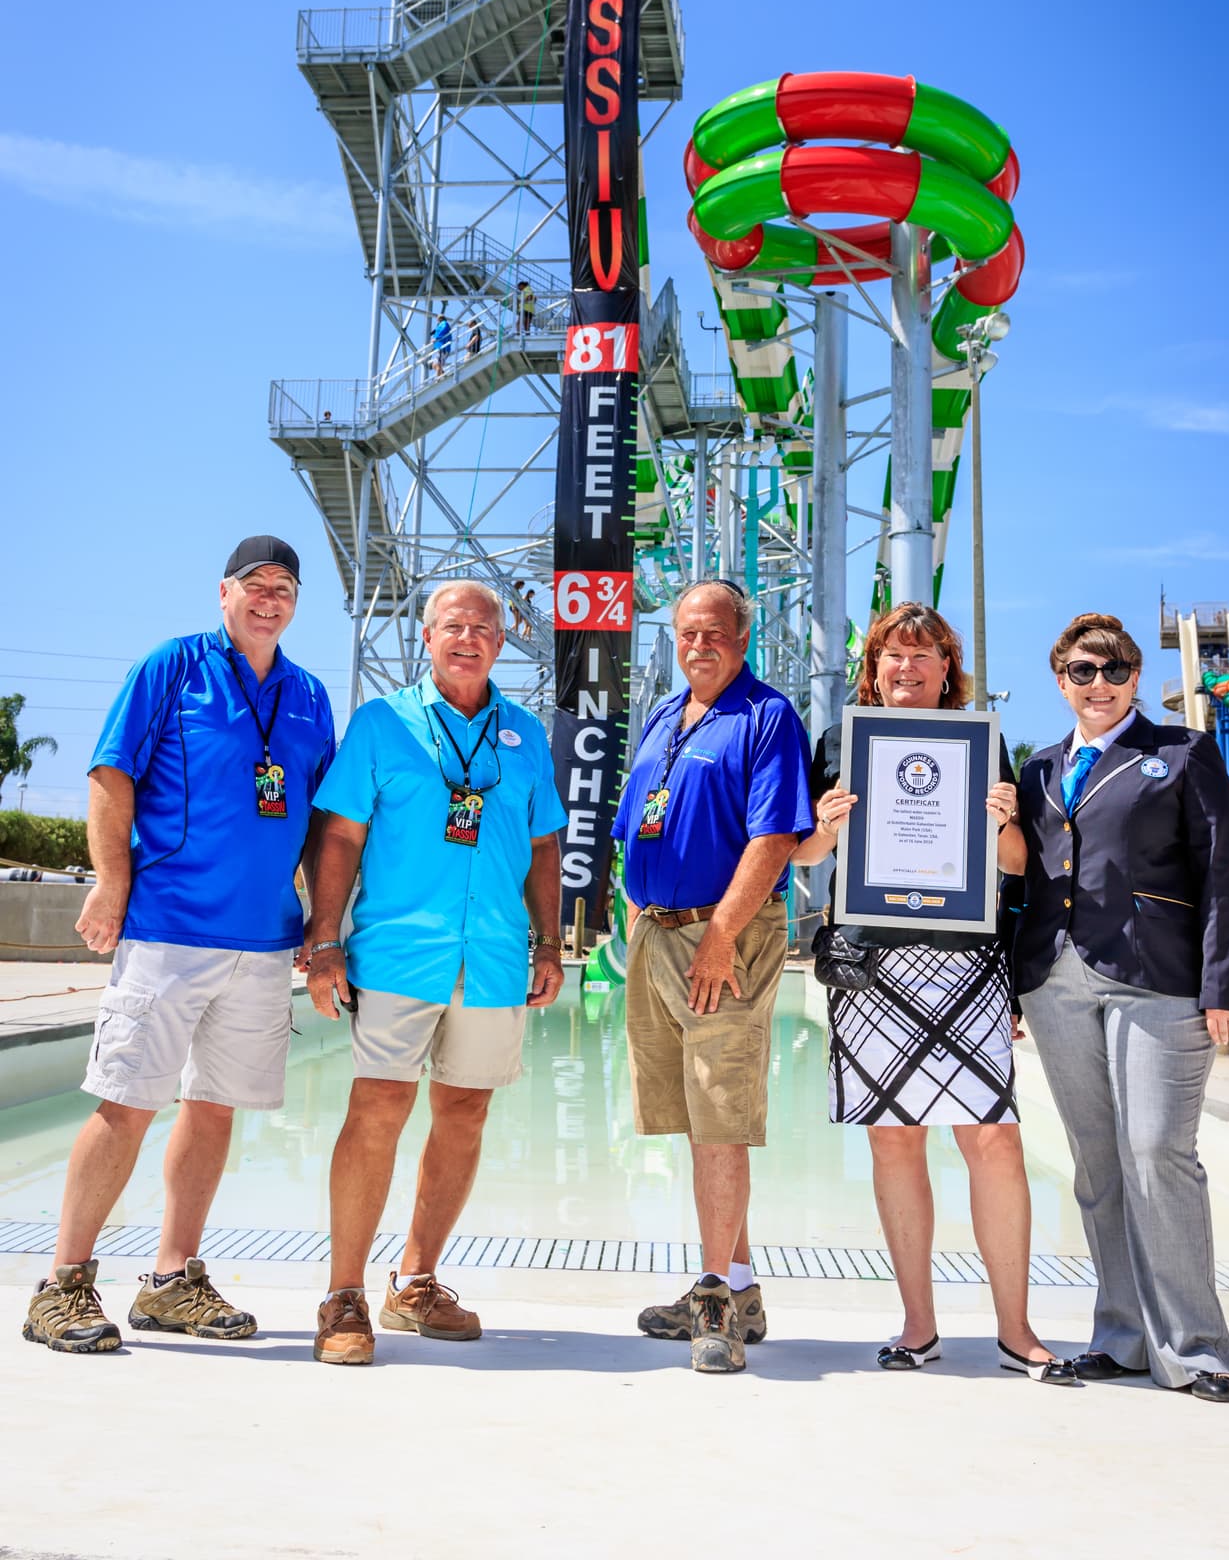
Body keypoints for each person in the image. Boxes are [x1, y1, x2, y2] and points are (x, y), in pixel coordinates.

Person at [23, 537, 335, 1355]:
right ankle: (61, 1284)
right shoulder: (173, 666)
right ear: (223, 593)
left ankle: (171, 1280)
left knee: (213, 1107)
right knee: (126, 1101)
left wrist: (321, 922)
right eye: (255, 584)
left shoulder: (309, 695)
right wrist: (111, 883)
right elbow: (110, 775)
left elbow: (319, 822)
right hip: (168, 927)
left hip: (263, 940)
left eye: (285, 588)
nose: (270, 598)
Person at [796, 600, 1076, 1386]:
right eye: (894, 654)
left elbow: (1016, 865)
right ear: (874, 667)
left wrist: (1003, 822)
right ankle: (918, 1326)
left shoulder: (981, 743)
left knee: (992, 1139)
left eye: (925, 655)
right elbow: (804, 856)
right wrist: (827, 825)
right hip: (873, 963)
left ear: (947, 668)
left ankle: (1017, 1331)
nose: (908, 667)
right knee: (894, 1139)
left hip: (965, 960)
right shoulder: (839, 742)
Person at [304, 580, 566, 1367]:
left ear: (502, 642)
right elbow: (340, 836)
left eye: (483, 628)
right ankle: (343, 1295)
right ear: (427, 637)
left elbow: (543, 846)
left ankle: (415, 1282)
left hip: (492, 957)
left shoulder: (525, 734)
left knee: (465, 1111)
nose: (468, 638)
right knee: (378, 1106)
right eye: (453, 625)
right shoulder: (382, 724)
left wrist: (550, 945)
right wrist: (325, 940)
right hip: (398, 954)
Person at [1015, 612, 1229, 1402]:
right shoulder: (1039, 767)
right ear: (1061, 681)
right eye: (1084, 671)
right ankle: (1120, 1336)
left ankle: (1197, 1348)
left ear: (1136, 678)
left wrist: (1224, 986)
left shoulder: (1182, 752)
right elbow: (1027, 877)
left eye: (1115, 670)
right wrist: (1014, 981)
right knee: (1098, 1162)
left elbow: (1220, 873)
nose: (1100, 684)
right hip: (1057, 977)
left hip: (1157, 976)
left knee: (1156, 1151)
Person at [614, 579, 813, 1374]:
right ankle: (738, 1285)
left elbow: (774, 839)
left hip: (720, 938)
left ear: (743, 636)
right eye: (688, 633)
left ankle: (714, 1306)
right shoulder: (666, 716)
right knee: (698, 1121)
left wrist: (721, 937)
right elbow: (639, 823)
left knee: (721, 1117)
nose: (700, 645)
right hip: (658, 933)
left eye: (715, 632)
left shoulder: (767, 716)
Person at [432, 311, 452, 378]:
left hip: (443, 348)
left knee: (438, 364)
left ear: (440, 319)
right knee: (434, 365)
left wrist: (436, 338)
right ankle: (443, 375)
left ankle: (437, 379)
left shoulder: (444, 323)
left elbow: (443, 330)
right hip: (439, 347)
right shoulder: (440, 325)